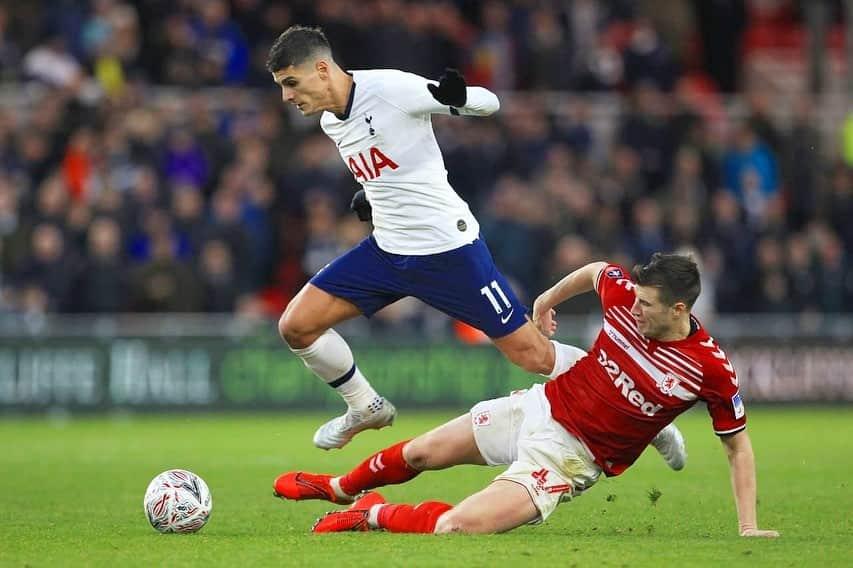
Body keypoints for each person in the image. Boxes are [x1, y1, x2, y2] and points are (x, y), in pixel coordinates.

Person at [273, 253, 779, 538]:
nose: (636, 308)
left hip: (569, 459)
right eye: (637, 298)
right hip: (542, 405)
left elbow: (738, 447)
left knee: (457, 527)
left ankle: (373, 513)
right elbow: (596, 270)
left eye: (648, 304)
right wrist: (544, 300)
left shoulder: (709, 367)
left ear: (680, 308)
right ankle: (339, 487)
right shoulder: (626, 296)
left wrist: (749, 526)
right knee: (421, 451)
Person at [267, 25, 567, 450]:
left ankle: (628, 396)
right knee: (296, 326)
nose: (286, 96)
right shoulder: (332, 121)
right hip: (388, 251)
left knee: (533, 355)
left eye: (290, 83)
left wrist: (457, 96)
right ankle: (366, 407)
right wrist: (371, 196)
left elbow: (491, 103)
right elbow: (392, 160)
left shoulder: (390, 88)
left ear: (321, 69)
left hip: (448, 251)